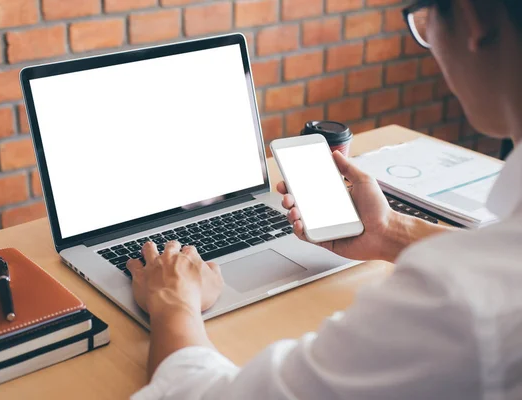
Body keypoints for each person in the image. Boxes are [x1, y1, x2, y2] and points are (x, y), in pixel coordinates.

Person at [128, 0, 522, 398]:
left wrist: (174, 302)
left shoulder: (460, 304)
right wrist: (391, 231)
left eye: (424, 17)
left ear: (475, 20)